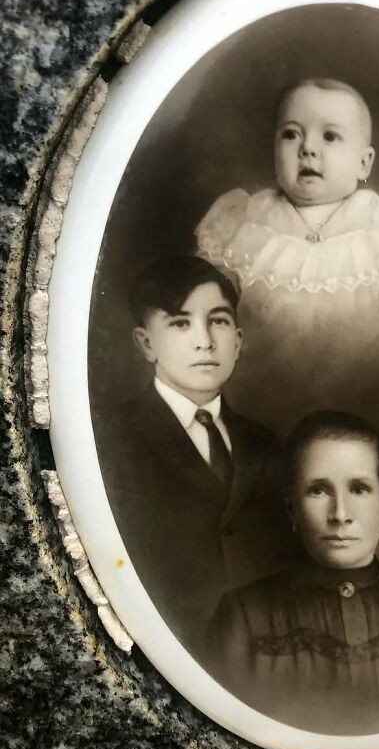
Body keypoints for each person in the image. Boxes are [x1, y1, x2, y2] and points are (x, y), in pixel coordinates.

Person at [194, 78, 379, 434]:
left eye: (330, 136)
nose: (308, 149)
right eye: (291, 134)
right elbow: (213, 307)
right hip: (258, 396)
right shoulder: (247, 221)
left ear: (364, 163)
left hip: (363, 394)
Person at [205, 411, 379, 735]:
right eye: (318, 490)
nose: (340, 515)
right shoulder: (244, 619)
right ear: (292, 510)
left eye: (359, 489)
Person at [95, 257, 290, 650]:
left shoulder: (263, 443)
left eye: (218, 321)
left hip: (266, 646)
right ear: (146, 343)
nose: (205, 341)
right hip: (164, 644)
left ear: (238, 340)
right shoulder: (113, 439)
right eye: (180, 323)